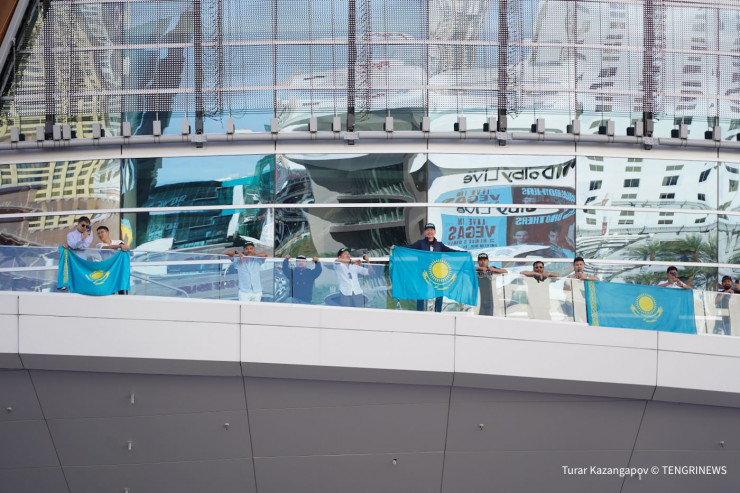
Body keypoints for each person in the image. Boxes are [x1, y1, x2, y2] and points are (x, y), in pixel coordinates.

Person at [407, 222, 460, 312]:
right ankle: (419, 313)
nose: (429, 232)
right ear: (425, 232)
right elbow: (409, 248)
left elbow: (451, 251)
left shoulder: (439, 245)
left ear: (434, 232)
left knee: (439, 293)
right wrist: (396, 248)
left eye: (431, 230)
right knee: (421, 293)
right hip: (423, 273)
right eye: (427, 230)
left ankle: (438, 312)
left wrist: (465, 253)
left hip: (436, 273)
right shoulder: (420, 243)